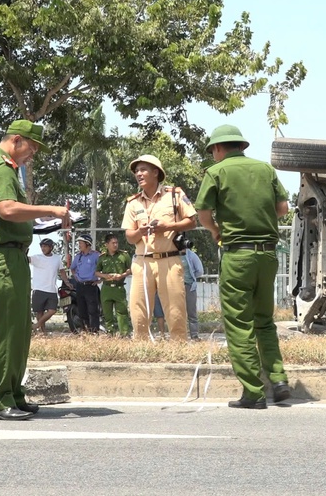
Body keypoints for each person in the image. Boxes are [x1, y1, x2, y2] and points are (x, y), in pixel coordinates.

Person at [0, 119, 70, 421]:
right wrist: (50, 210)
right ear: (16, 140)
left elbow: (14, 215)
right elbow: (8, 209)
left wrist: (43, 223)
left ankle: (14, 394)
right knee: (5, 333)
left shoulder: (4, 167)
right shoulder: (1, 167)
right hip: (1, 260)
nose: (33, 155)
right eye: (32, 148)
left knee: (19, 332)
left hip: (11, 257)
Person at [194, 125, 291, 409]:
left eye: (213, 150)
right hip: (268, 256)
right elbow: (283, 208)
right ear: (241, 146)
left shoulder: (217, 172)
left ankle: (254, 392)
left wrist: (215, 230)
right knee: (264, 321)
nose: (213, 155)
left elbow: (203, 213)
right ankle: (279, 379)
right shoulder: (265, 170)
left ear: (219, 148)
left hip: (238, 255)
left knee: (239, 323)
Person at [121, 154, 196, 342]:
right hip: (142, 261)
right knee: (138, 307)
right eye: (136, 171)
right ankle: (140, 346)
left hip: (169, 260)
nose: (139, 174)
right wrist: (140, 231)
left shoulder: (175, 195)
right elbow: (129, 237)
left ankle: (178, 346)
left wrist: (168, 226)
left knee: (175, 308)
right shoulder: (133, 202)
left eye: (143, 170)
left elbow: (192, 222)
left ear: (156, 173)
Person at [28, 237, 70, 334]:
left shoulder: (57, 258)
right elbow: (27, 259)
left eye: (45, 246)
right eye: (42, 246)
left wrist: (67, 282)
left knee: (52, 310)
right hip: (38, 289)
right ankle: (43, 332)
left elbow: (62, 271)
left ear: (51, 247)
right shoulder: (37, 257)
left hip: (51, 289)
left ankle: (37, 325)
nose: (43, 248)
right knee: (40, 312)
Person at [95, 233, 132, 337]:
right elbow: (96, 272)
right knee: (107, 313)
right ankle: (110, 333)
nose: (115, 245)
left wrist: (122, 275)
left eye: (116, 243)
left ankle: (124, 334)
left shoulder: (124, 255)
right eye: (113, 243)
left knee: (122, 312)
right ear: (107, 244)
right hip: (106, 288)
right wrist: (105, 276)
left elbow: (130, 269)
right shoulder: (102, 257)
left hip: (119, 287)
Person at [69, 233, 101, 333]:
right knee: (82, 310)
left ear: (87, 244)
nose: (79, 245)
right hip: (80, 286)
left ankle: (94, 331)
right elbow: (72, 268)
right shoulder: (78, 256)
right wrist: (76, 277)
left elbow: (104, 268)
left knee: (93, 310)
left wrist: (100, 280)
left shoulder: (96, 255)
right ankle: (85, 330)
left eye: (81, 243)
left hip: (91, 286)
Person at [181, 248, 204, 340]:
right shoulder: (173, 255)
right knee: (177, 312)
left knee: (191, 312)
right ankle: (180, 335)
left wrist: (192, 276)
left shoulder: (191, 255)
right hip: (176, 286)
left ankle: (194, 335)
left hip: (189, 286)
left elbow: (200, 271)